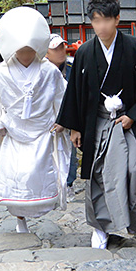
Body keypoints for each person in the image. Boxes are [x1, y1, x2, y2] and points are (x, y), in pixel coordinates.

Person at [56, 0, 136, 250]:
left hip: (127, 121)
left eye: (105, 20)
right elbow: (75, 92)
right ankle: (99, 228)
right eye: (95, 21)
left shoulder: (135, 48)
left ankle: (129, 221)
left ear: (117, 19)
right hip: (97, 121)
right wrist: (75, 127)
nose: (100, 27)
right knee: (99, 173)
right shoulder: (84, 53)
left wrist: (133, 116)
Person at [0, 7, 71, 234]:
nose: (26, 53)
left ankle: (39, 206)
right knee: (16, 175)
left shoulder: (49, 72)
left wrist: (63, 119)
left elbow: (62, 96)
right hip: (13, 132)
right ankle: (19, 216)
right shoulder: (1, 73)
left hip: (42, 130)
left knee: (36, 173)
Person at [46, 34, 77, 201]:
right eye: (55, 49)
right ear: (46, 53)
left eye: (62, 47)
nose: (60, 51)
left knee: (69, 150)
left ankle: (68, 183)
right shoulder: (42, 70)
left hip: (70, 114)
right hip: (47, 117)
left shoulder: (73, 65)